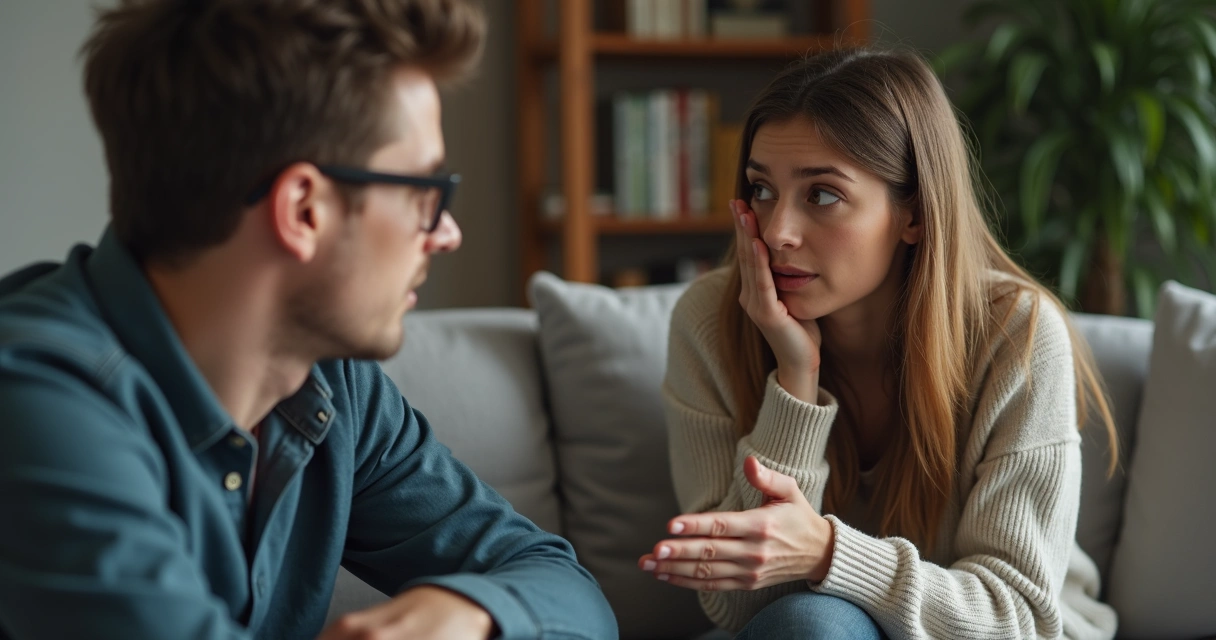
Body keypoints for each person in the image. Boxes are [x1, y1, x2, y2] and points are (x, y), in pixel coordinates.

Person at [0, 1, 617, 638]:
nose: (448, 233)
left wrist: (474, 615)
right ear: (303, 210)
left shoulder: (332, 383)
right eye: (422, 194)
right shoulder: (36, 402)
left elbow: (564, 588)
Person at [637, 48, 1119, 640]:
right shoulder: (711, 323)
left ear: (913, 213)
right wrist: (795, 377)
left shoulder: (1016, 335)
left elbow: (1015, 616)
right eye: (761, 190)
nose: (777, 230)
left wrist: (827, 553)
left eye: (821, 195)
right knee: (807, 624)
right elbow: (738, 610)